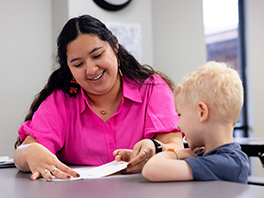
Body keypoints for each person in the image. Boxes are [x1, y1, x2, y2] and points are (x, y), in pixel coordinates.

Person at [13, 14, 183, 181]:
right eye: (78, 64)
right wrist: (29, 152)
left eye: (97, 55)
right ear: (69, 69)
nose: (91, 70)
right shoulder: (62, 100)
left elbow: (175, 148)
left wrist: (155, 149)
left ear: (114, 47)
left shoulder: (151, 88)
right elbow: (23, 154)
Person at [142, 61, 250, 184]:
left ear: (202, 112)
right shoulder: (205, 154)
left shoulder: (227, 163)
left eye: (180, 115)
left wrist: (179, 153)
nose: (178, 124)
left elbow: (152, 169)